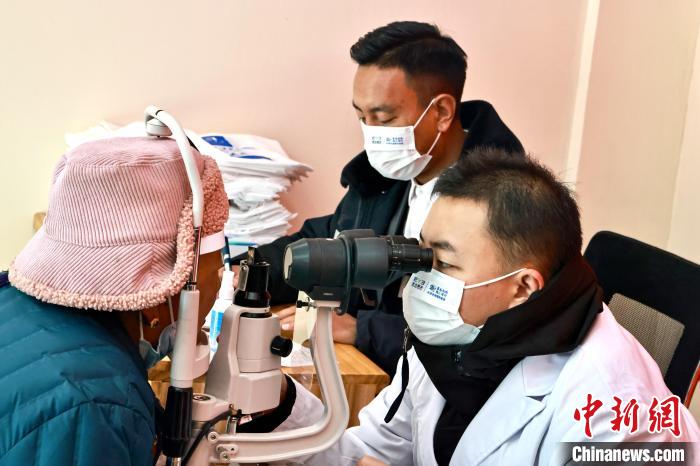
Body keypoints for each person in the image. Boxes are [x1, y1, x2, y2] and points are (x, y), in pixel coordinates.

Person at [270, 147, 700, 465]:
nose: (422, 279)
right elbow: (371, 452)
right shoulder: (457, 332)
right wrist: (278, 402)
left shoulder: (618, 414)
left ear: (523, 287)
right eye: (423, 254)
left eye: (444, 263)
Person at [238, 21, 523, 375]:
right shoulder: (384, 179)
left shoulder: (502, 208)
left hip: (436, 384)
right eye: (362, 116)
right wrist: (251, 269)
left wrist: (364, 330)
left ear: (442, 112)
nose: (371, 134)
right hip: (373, 372)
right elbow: (332, 237)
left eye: (384, 118)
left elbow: (481, 329)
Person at [0, 137, 230, 466]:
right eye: (216, 278)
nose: (215, 295)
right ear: (153, 301)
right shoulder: (99, 408)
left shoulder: (9, 299)